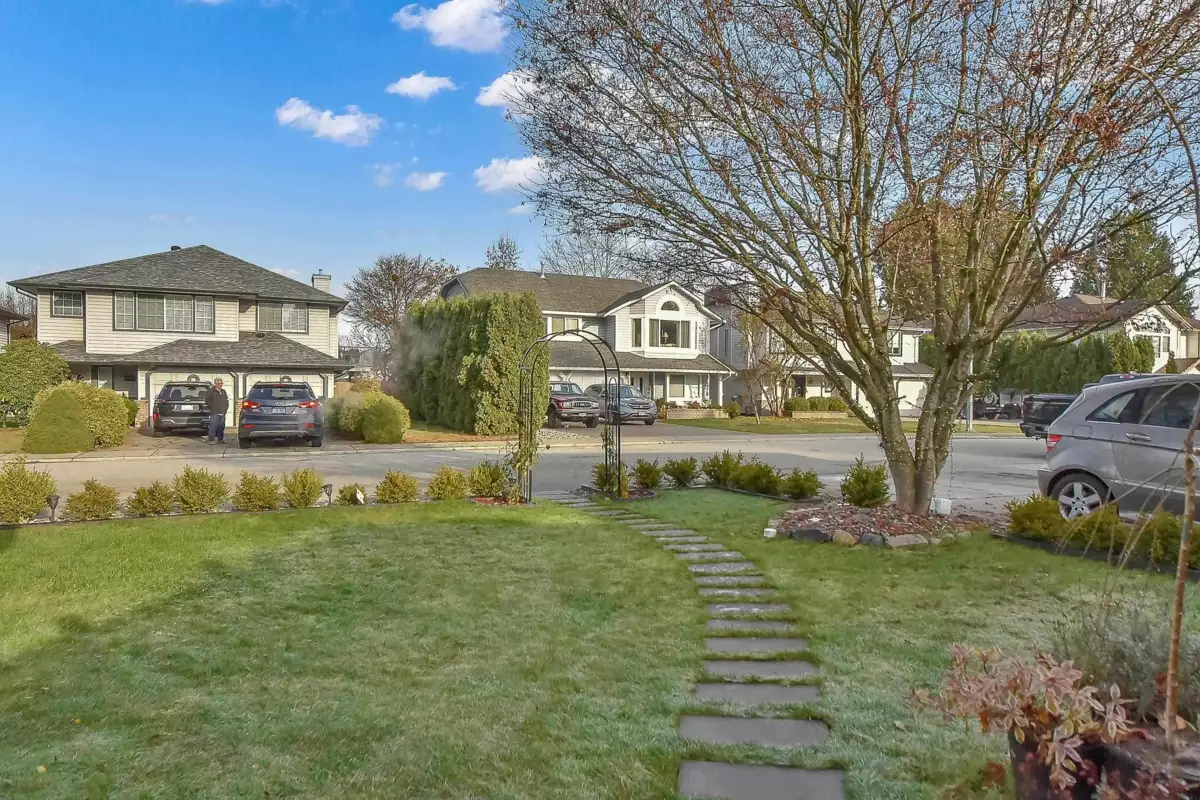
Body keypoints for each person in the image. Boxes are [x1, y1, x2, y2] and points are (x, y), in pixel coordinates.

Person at [204, 379, 230, 444]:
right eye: (219, 383)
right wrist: (212, 407)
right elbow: (207, 401)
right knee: (213, 426)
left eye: (221, 383)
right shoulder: (211, 391)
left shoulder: (223, 391)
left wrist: (225, 409)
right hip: (214, 412)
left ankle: (220, 439)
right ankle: (211, 440)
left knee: (221, 426)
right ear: (216, 384)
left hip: (222, 412)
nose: (221, 385)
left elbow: (226, 401)